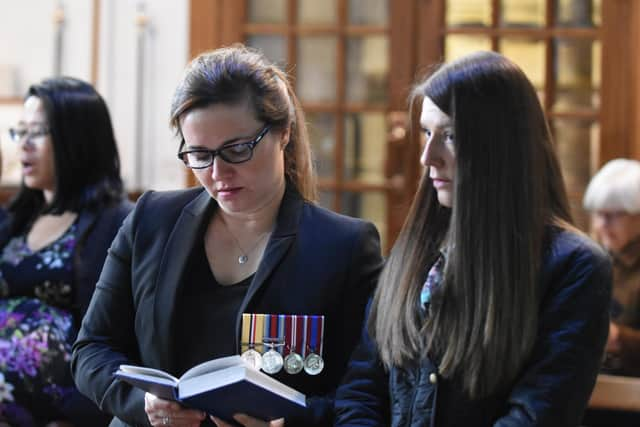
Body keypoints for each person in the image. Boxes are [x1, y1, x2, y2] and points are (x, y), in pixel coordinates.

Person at [71, 45, 383, 427]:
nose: (218, 173)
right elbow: (91, 349)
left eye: (236, 150)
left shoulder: (343, 246)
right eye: (199, 154)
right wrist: (144, 404)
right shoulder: (150, 220)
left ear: (283, 133)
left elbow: (364, 396)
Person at [334, 51, 612, 426]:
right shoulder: (413, 251)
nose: (428, 158)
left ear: (500, 146)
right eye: (426, 134)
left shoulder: (573, 266)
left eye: (449, 136)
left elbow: (536, 416)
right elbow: (361, 390)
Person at [0, 77, 133, 427]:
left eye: (38, 133)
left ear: (77, 140)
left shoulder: (118, 222)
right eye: (20, 132)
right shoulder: (16, 218)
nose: (23, 146)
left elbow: (119, 336)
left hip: (69, 411)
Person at [583, 158, 640, 376]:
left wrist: (618, 338)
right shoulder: (590, 257)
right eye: (599, 213)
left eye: (615, 214)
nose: (603, 224)